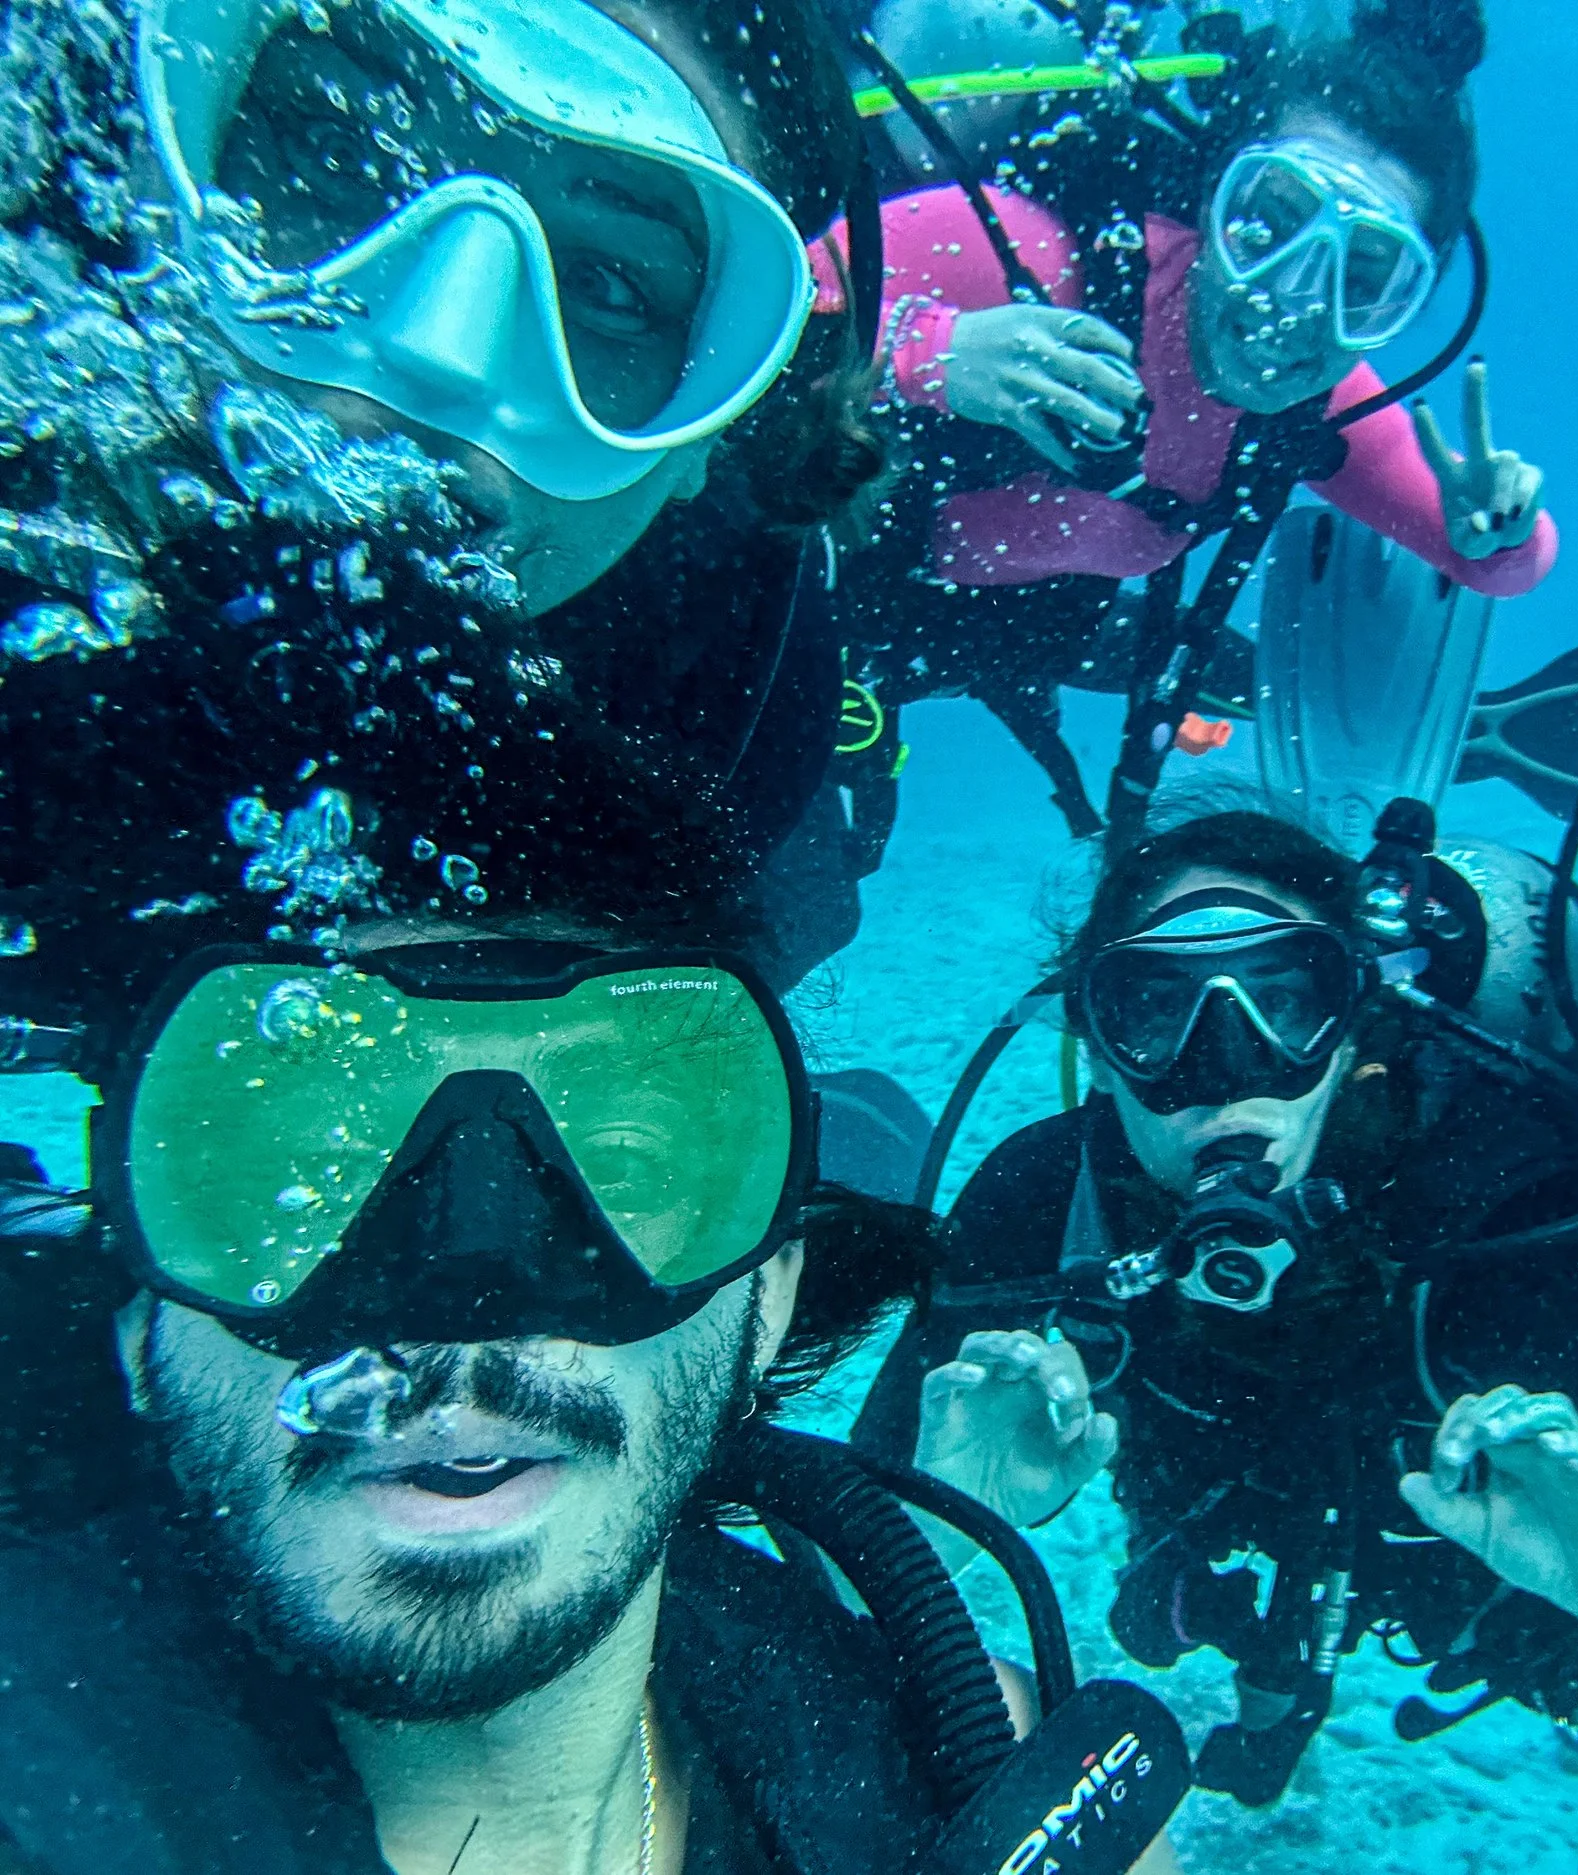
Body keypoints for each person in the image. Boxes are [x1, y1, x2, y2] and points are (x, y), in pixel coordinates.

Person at [0, 378, 1184, 1871]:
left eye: (619, 1166)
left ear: (767, 1303)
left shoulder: (969, 1766)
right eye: (307, 1173)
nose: (465, 1293)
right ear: (135, 1308)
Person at [856, 806, 1578, 1821]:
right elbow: (829, 1572)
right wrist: (940, 1518)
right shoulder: (1040, 1210)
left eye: (1284, 1000)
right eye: (1155, 1012)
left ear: (1353, 1022)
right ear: (1099, 1050)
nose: (1225, 1067)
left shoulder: (1536, 1224)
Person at [9, 0, 890, 987]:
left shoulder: (725, 696)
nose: (438, 354)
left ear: (707, 436)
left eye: (608, 284)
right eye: (333, 149)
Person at [798, 0, 1556, 873]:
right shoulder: (1036, 261)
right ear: (1213, 195)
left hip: (1027, 628)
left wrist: (1495, 526)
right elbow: (742, 316)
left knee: (1199, 672)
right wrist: (930, 352)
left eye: (1365, 273)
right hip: (826, 599)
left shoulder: (1324, 403)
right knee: (805, 904)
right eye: (1270, 221)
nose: (1294, 300)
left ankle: (1473, 740)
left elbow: (1502, 564)